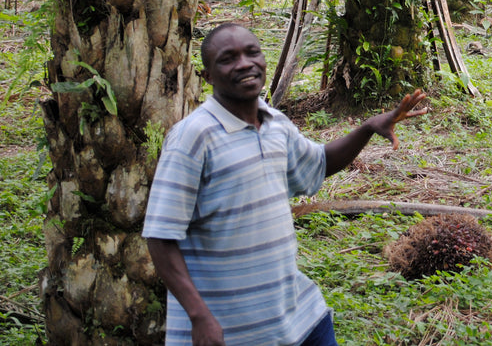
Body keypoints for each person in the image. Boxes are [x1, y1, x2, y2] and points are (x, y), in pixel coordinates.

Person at [143, 23, 429, 346]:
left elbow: (319, 163)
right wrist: (199, 315)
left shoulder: (276, 124)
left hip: (297, 318)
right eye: (228, 58)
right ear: (207, 75)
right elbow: (160, 235)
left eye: (252, 52)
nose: (245, 63)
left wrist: (366, 128)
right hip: (229, 330)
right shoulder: (192, 138)